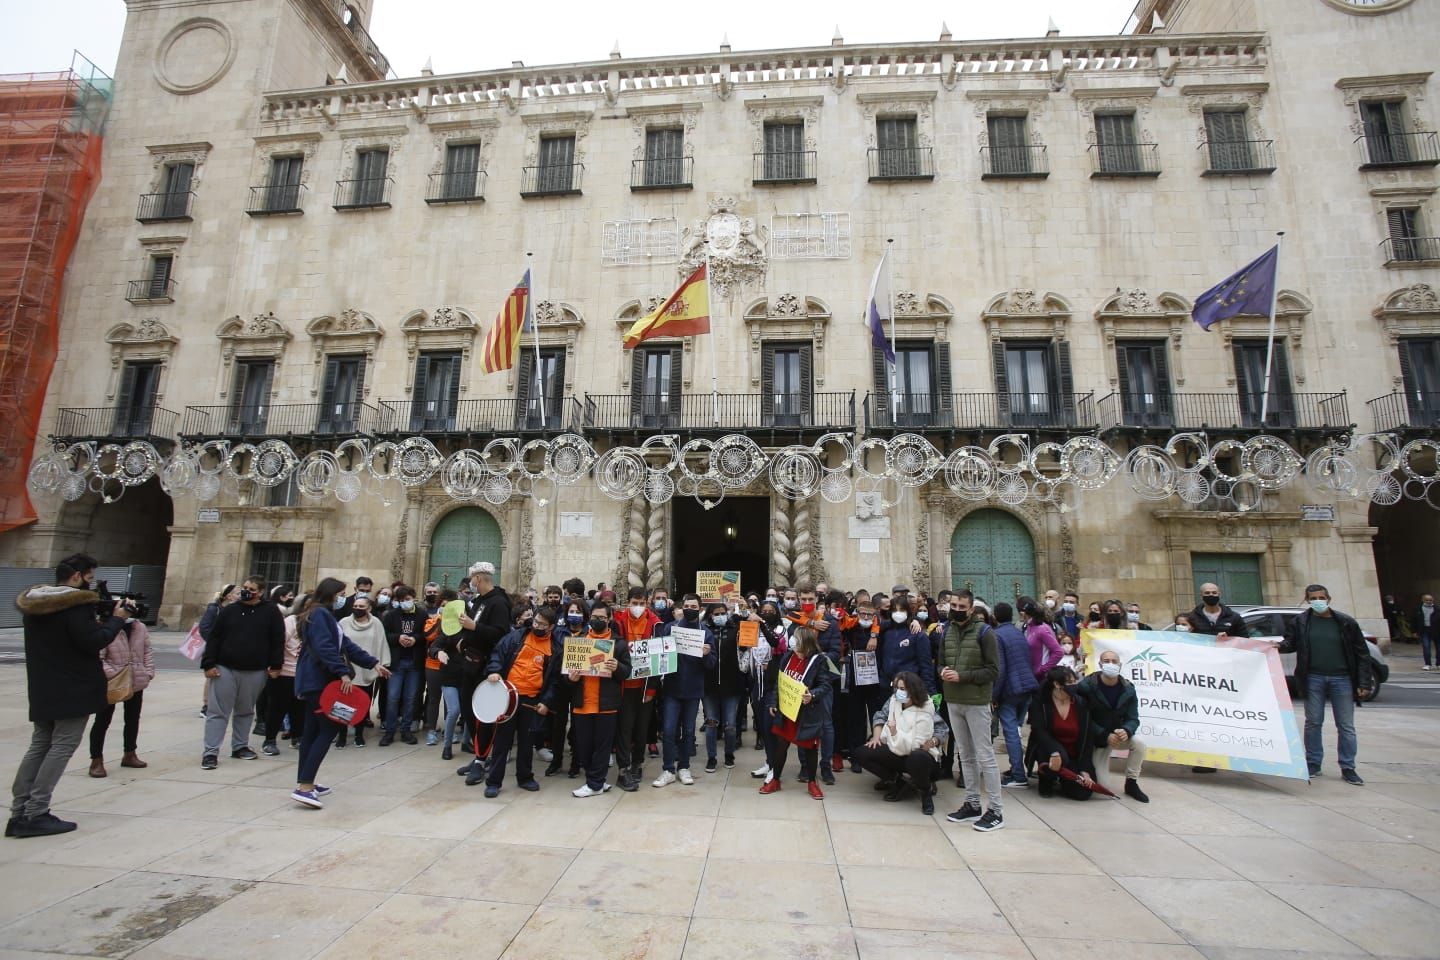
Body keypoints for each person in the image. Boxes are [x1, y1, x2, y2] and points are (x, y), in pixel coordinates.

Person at [9, 555, 130, 838]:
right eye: (89, 577)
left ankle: (19, 813)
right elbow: (93, 642)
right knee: (61, 747)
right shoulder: (74, 606)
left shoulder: (35, 605)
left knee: (39, 745)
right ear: (76, 577)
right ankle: (37, 812)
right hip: (72, 688)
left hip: (43, 687)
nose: (91, 585)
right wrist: (116, 620)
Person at [291, 578, 391, 808]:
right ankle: (305, 787)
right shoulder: (320, 615)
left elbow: (345, 645)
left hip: (316, 680)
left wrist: (373, 663)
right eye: (341, 594)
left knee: (312, 731)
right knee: (328, 729)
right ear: (330, 594)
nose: (343, 599)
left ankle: (305, 782)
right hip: (318, 681)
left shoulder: (322, 615)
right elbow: (325, 647)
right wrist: (342, 672)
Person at [1280, 585, 1373, 784]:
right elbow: (1290, 643)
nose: (1318, 601)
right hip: (1313, 677)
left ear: (1329, 598)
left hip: (1343, 679)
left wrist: (1364, 682)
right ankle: (1313, 763)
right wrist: (1274, 647)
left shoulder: (1346, 622)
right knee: (1313, 722)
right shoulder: (1300, 621)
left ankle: (1348, 766)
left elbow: (1362, 653)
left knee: (1346, 725)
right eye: (1314, 598)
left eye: (1321, 597)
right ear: (1307, 600)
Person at [200, 576, 284, 770]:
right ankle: (211, 752)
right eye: (244, 587)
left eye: (251, 589)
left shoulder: (270, 611)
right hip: (225, 667)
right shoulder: (229, 611)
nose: (246, 591)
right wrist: (208, 664)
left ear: (261, 592)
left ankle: (240, 746)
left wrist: (275, 665)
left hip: (255, 669)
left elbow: (277, 639)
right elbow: (215, 637)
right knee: (218, 711)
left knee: (245, 711)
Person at [939, 590, 1004, 832]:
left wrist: (962, 676)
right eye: (953, 604)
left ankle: (996, 809)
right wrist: (942, 672)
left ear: (970, 608)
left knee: (985, 755)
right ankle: (972, 803)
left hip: (977, 701)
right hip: (953, 699)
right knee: (965, 754)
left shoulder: (985, 633)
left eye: (961, 605)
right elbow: (940, 661)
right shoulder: (947, 630)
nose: (956, 609)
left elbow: (993, 670)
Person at [480, 606, 559, 797]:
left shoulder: (555, 648)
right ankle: (494, 781)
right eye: (536, 621)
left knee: (527, 742)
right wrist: (494, 671)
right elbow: (497, 655)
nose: (537, 625)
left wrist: (546, 702)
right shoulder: (515, 638)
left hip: (532, 701)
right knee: (502, 741)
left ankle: (525, 777)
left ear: (551, 627)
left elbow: (555, 680)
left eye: (542, 624)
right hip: (508, 697)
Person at [561, 598, 632, 797]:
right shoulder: (578, 641)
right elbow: (565, 677)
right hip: (581, 704)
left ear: (609, 619)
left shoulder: (618, 644)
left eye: (602, 617)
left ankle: (594, 784)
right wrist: (571, 678)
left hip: (606, 705)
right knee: (584, 747)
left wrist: (617, 667)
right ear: (589, 618)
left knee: (602, 747)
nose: (598, 620)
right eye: (594, 617)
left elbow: (627, 672)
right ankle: (597, 780)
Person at [852, 671, 942, 815]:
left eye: (902, 689)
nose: (899, 692)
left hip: (919, 753)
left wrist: (933, 741)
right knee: (862, 752)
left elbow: (939, 730)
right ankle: (898, 781)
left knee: (917, 756)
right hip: (896, 746)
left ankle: (926, 792)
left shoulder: (926, 708)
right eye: (897, 688)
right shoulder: (894, 701)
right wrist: (876, 737)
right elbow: (881, 716)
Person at [759, 626, 832, 799]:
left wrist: (812, 695)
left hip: (807, 714)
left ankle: (812, 783)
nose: (792, 641)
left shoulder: (818, 660)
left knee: (810, 749)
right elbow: (780, 682)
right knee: (781, 746)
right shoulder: (787, 657)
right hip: (787, 712)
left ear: (805, 642)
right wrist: (773, 702)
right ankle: (775, 780)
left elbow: (825, 685)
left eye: (796, 638)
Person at [653, 595, 717, 787]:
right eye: (687, 606)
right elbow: (659, 654)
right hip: (672, 688)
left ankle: (684, 767)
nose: (689, 609)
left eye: (693, 606)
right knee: (669, 729)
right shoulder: (670, 628)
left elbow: (712, 663)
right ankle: (667, 769)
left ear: (700, 608)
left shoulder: (705, 632)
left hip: (693, 690)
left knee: (689, 731)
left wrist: (706, 654)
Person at [456, 561, 511, 779]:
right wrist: (463, 639)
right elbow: (470, 626)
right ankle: (479, 755)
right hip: (470, 664)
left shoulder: (498, 603)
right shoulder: (479, 601)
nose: (471, 583)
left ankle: (482, 760)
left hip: (486, 667)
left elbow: (500, 634)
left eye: (473, 579)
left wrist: (474, 628)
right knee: (469, 712)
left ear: (478, 578)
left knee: (484, 717)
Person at [1078, 649, 1149, 802]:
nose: (1111, 664)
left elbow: (1133, 718)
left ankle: (1131, 783)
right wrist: (1104, 735)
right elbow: (1082, 718)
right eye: (1106, 661)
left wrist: (1126, 730)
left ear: (1120, 665)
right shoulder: (1087, 686)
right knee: (1102, 788)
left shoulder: (1128, 688)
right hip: (1097, 740)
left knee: (1140, 744)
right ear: (1100, 664)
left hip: (1117, 735)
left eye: (1114, 661)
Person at [89, 617, 156, 778]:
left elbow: (147, 651)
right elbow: (99, 657)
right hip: (113, 681)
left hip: (136, 679)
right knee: (103, 719)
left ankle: (130, 753)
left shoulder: (139, 627)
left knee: (133, 718)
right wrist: (114, 674)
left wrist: (148, 672)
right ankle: (96, 759)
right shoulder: (107, 627)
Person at [613, 587, 661, 790]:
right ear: (628, 601)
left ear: (647, 603)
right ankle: (623, 769)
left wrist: (651, 689)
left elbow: (660, 659)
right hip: (623, 685)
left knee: (642, 728)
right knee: (625, 728)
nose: (638, 607)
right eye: (635, 603)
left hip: (644, 686)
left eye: (642, 603)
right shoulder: (617, 621)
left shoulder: (657, 624)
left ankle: (637, 764)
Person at [1028, 667, 1099, 801]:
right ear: (1057, 684)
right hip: (1049, 750)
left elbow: (1087, 738)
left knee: (1083, 793)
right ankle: (1046, 779)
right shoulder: (1041, 702)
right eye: (1069, 682)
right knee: (1057, 755)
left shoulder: (1081, 703)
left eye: (1074, 682)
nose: (1074, 686)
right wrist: (1054, 752)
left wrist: (1085, 770)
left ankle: (1064, 778)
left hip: (1073, 755)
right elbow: (1039, 730)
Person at [990, 601, 1039, 789]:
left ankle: (1018, 775)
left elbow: (1000, 669)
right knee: (1016, 732)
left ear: (995, 616)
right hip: (1026, 687)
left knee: (1010, 733)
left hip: (1011, 690)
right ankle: (1017, 768)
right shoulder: (1019, 633)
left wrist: (995, 694)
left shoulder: (997, 635)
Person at [337, 594, 386, 748]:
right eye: (355, 606)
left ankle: (359, 734)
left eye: (361, 607)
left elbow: (381, 643)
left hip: (367, 668)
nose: (357, 609)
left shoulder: (376, 623)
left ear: (369, 608)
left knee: (362, 704)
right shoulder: (343, 622)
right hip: (347, 669)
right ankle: (342, 736)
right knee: (343, 704)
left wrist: (380, 663)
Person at [379, 586, 425, 746]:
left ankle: (406, 729)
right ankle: (390, 731)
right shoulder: (391, 615)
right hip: (396, 662)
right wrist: (398, 638)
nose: (405, 602)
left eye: (407, 599)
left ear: (413, 597)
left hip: (414, 662)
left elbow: (426, 634)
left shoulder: (421, 614)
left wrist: (415, 639)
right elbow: (385, 634)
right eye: (401, 600)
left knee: (411, 698)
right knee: (392, 697)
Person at [703, 601, 745, 773]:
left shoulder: (735, 630)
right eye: (716, 613)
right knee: (711, 723)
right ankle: (711, 758)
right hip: (709, 685)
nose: (720, 616)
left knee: (730, 725)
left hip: (731, 684)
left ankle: (729, 755)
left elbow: (745, 647)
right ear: (711, 615)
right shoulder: (705, 632)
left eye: (723, 613)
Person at [261, 596, 305, 755]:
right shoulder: (290, 622)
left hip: (303, 673)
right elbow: (278, 643)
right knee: (277, 708)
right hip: (284, 671)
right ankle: (270, 740)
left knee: (299, 707)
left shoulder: (313, 623)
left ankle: (297, 736)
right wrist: (275, 666)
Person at [877, 596, 936, 694]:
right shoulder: (885, 632)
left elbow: (926, 666)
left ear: (908, 611)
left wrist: (930, 692)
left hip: (910, 687)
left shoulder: (917, 634)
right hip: (886, 687)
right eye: (895, 610)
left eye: (902, 610)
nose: (898, 613)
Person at [1020, 598, 1064, 682]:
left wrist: (1043, 669)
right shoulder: (1030, 627)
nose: (1021, 614)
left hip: (1042, 678)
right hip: (1032, 676)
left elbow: (1058, 652)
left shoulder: (1042, 629)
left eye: (1023, 611)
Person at [1412, 594, 1439, 670]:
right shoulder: (1418, 609)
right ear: (1423, 600)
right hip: (1425, 630)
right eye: (1427, 600)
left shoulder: (1437, 609)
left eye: (1430, 600)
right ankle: (1427, 664)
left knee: (1439, 648)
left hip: (1436, 630)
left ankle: (1438, 664)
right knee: (1426, 647)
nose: (1429, 601)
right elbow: (1413, 621)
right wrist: (1414, 631)